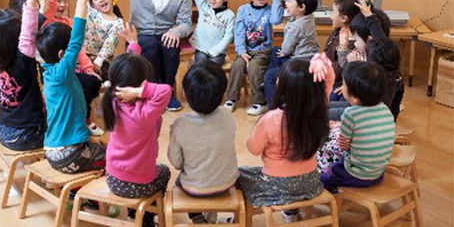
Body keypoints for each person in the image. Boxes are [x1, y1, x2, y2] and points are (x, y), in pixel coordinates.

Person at [236, 54, 333, 222]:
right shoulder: (319, 108)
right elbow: (328, 77)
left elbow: (253, 149)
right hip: (310, 183)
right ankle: (291, 212)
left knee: (239, 175)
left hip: (277, 187)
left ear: (285, 88)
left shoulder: (271, 119)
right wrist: (319, 61)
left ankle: (240, 220)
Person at [102, 23, 172, 227]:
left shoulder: (112, 100)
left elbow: (127, 71)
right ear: (141, 84)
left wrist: (133, 45)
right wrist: (141, 93)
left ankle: (136, 214)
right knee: (164, 172)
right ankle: (146, 218)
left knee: (154, 170)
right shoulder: (145, 112)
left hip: (112, 178)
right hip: (139, 184)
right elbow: (165, 90)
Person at [36, 0, 106, 173]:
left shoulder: (47, 68)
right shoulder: (62, 73)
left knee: (100, 145)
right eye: (69, 52)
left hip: (52, 150)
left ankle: (73, 195)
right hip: (69, 154)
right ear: (62, 55)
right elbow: (76, 38)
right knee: (114, 159)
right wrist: (82, 0)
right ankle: (90, 200)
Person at [168, 60, 239, 224]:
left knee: (180, 180)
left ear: (184, 93)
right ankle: (211, 216)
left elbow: (176, 162)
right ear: (223, 95)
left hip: (193, 189)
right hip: (227, 184)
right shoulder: (228, 116)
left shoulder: (180, 124)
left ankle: (196, 216)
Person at [0, 0, 46, 151]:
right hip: (26, 135)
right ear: (14, 37)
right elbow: (29, 31)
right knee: (64, 123)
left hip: (3, 129)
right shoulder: (22, 60)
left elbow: (32, 26)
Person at [320, 61, 395, 193]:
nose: (342, 87)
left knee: (325, 176)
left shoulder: (350, 114)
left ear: (354, 98)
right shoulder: (385, 109)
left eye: (343, 84)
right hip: (378, 173)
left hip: (355, 174)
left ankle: (333, 195)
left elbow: (343, 147)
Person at [224, 0, 283, 115]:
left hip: (263, 52)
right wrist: (241, 51)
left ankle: (260, 101)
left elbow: (276, 20)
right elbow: (238, 33)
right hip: (246, 50)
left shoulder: (270, 10)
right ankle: (231, 98)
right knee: (237, 65)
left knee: (254, 68)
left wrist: (276, 0)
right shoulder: (243, 10)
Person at [263, 0, 320, 104]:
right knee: (275, 51)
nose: (286, 3)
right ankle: (279, 86)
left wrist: (284, 51)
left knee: (269, 76)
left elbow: (287, 49)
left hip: (300, 63)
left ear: (301, 7)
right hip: (304, 57)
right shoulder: (307, 15)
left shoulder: (296, 27)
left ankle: (274, 107)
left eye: (288, 2)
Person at [84, 0, 124, 78]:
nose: (101, 0)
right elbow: (84, 0)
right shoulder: (93, 12)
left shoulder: (118, 23)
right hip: (82, 54)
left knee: (108, 78)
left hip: (99, 59)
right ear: (92, 4)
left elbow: (109, 44)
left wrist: (98, 61)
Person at [366, 38, 404, 120]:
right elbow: (396, 105)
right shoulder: (397, 79)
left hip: (364, 118)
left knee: (331, 110)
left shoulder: (371, 81)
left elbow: (355, 101)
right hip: (385, 119)